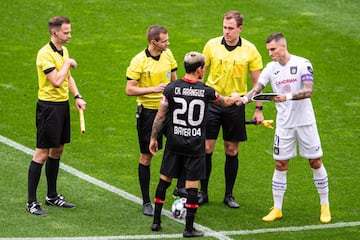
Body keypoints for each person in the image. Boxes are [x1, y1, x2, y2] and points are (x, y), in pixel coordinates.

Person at [241, 32, 331, 223]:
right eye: (268, 50)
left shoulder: (302, 64)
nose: (270, 53)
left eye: (273, 49)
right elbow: (257, 89)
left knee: (315, 162)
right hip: (284, 125)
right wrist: (243, 99)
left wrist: (287, 97)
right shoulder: (270, 68)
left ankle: (325, 205)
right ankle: (277, 208)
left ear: (283, 46)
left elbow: (308, 90)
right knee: (280, 164)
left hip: (305, 122)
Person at [149, 52, 241, 237]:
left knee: (164, 181)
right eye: (204, 67)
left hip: (174, 143)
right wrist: (236, 97)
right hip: (194, 145)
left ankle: (156, 222)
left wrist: (153, 138)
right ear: (199, 69)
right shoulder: (206, 91)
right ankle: (189, 228)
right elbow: (224, 102)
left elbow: (160, 116)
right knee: (192, 187)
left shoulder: (171, 88)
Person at [199, 10, 264, 208]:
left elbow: (257, 82)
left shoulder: (250, 50)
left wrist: (257, 107)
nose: (226, 32)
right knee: (206, 147)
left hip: (235, 105)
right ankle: (203, 192)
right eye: (224, 28)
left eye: (231, 28)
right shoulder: (211, 45)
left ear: (240, 29)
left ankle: (229, 195)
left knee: (231, 149)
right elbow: (201, 73)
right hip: (213, 102)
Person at [26, 16, 86, 216]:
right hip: (48, 108)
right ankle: (31, 202)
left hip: (61, 107)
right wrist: (67, 63)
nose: (69, 35)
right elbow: (57, 81)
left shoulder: (63, 50)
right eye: (66, 32)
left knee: (57, 150)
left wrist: (77, 96)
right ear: (54, 32)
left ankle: (51, 196)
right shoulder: (44, 55)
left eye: (69, 31)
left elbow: (68, 78)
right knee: (42, 153)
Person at [125, 25, 178, 216]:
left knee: (178, 147)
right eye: (164, 41)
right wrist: (153, 89)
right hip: (148, 113)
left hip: (169, 111)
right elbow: (129, 89)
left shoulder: (168, 54)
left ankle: (178, 190)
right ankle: (146, 201)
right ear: (153, 42)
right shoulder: (139, 61)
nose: (167, 43)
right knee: (146, 156)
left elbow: (174, 80)